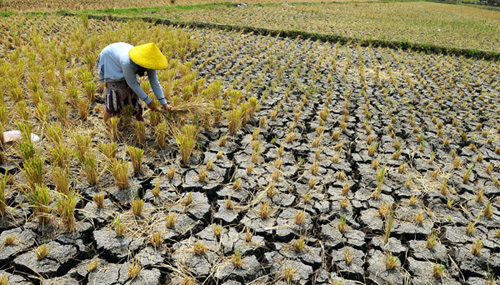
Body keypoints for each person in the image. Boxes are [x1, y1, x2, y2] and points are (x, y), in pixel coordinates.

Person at [97, 42, 172, 123]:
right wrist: (149, 102)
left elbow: (154, 82)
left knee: (133, 94)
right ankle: (109, 124)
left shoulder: (150, 61)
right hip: (110, 60)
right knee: (114, 94)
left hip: (120, 55)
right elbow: (132, 83)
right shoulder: (127, 62)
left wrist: (164, 103)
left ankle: (139, 119)